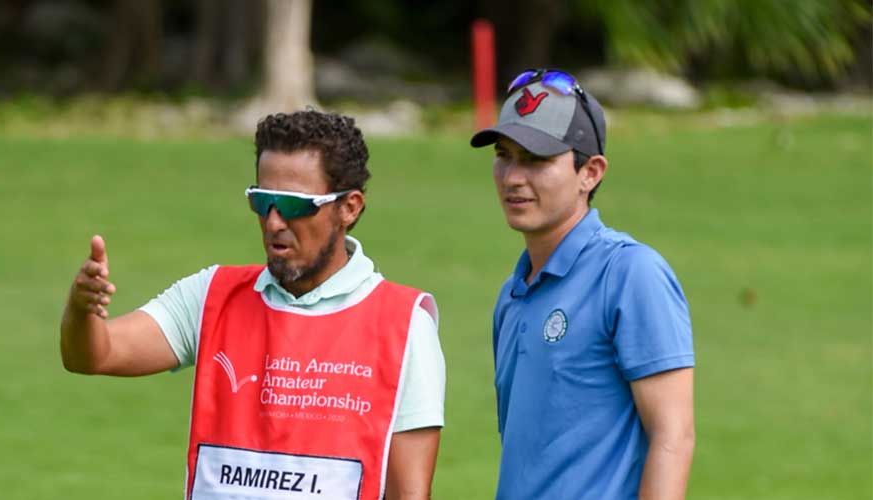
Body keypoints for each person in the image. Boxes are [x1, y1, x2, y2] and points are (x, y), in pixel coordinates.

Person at [61, 110, 445, 500]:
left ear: (349, 207)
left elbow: (410, 494)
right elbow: (94, 355)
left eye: (294, 205)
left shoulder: (405, 324)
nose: (274, 221)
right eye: (263, 202)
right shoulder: (211, 295)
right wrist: (81, 310)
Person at [470, 69, 695, 499]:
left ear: (590, 173)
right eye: (504, 155)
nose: (513, 177)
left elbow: (674, 437)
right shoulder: (511, 295)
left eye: (536, 159)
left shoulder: (630, 274)